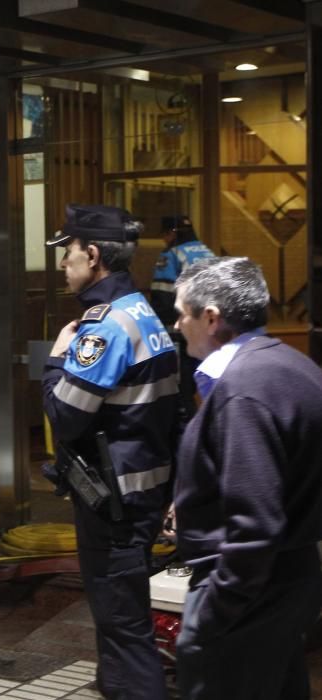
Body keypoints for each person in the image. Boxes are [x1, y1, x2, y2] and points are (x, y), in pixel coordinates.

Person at [42, 204, 178, 700]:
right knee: (120, 619)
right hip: (142, 490)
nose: (63, 263)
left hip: (115, 504)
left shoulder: (104, 327)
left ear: (93, 255)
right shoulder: (145, 311)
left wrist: (56, 358)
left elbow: (65, 416)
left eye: (69, 252)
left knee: (124, 626)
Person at [172, 257, 322, 700]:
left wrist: (213, 614)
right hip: (287, 580)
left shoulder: (245, 389)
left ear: (211, 317)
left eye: (182, 313)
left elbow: (255, 525)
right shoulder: (290, 365)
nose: (177, 325)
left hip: (252, 590)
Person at [150, 215, 214, 416]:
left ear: (170, 234)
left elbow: (162, 296)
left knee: (182, 391)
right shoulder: (207, 251)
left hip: (181, 333)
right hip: (209, 330)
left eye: (165, 235)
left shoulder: (172, 254)